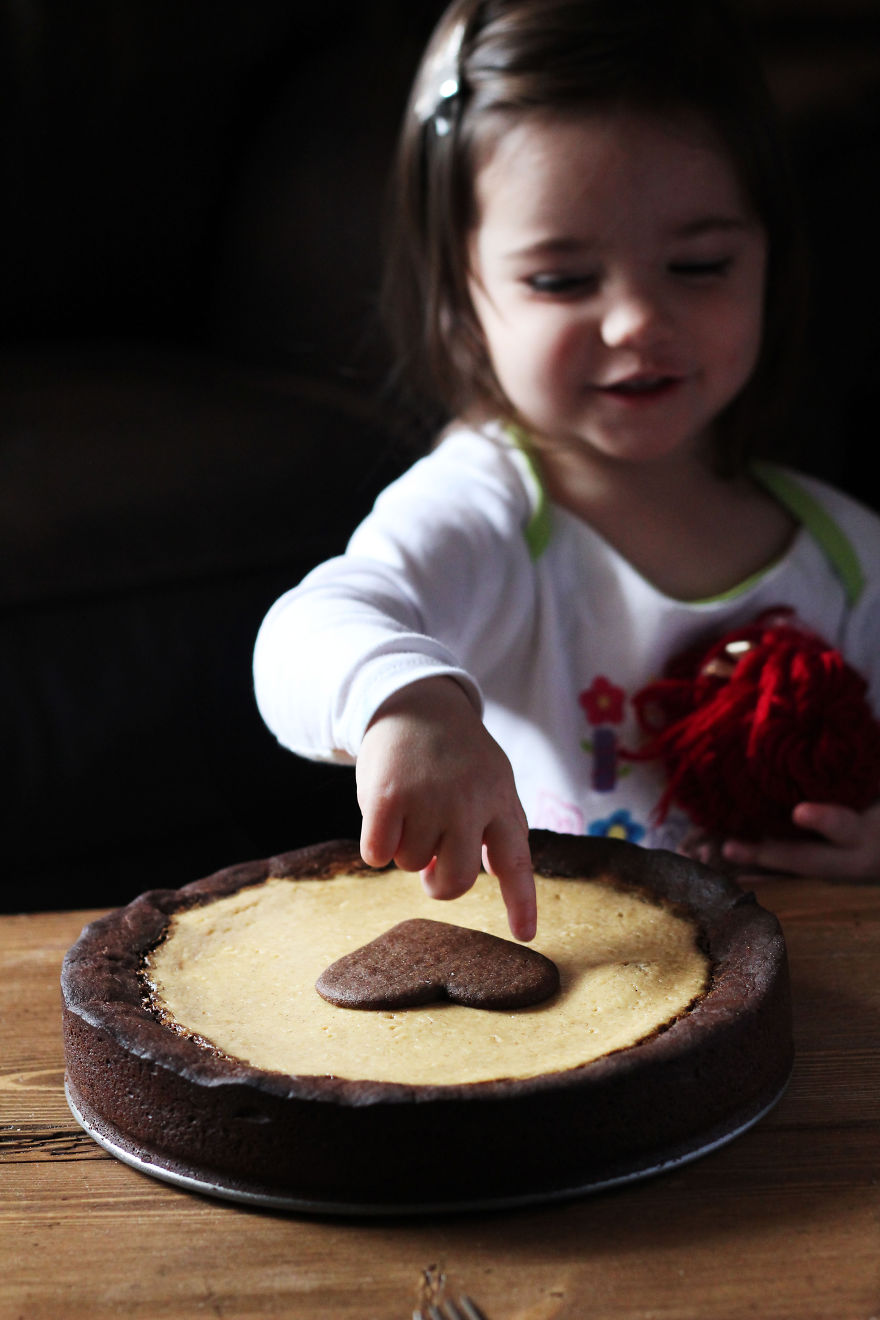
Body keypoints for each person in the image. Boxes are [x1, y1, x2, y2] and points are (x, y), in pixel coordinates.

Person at [253, 0, 880, 941]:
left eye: (698, 265)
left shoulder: (849, 557)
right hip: (563, 986)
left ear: (771, 261)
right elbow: (302, 634)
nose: (637, 321)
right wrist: (409, 706)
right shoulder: (489, 508)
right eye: (562, 280)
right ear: (463, 295)